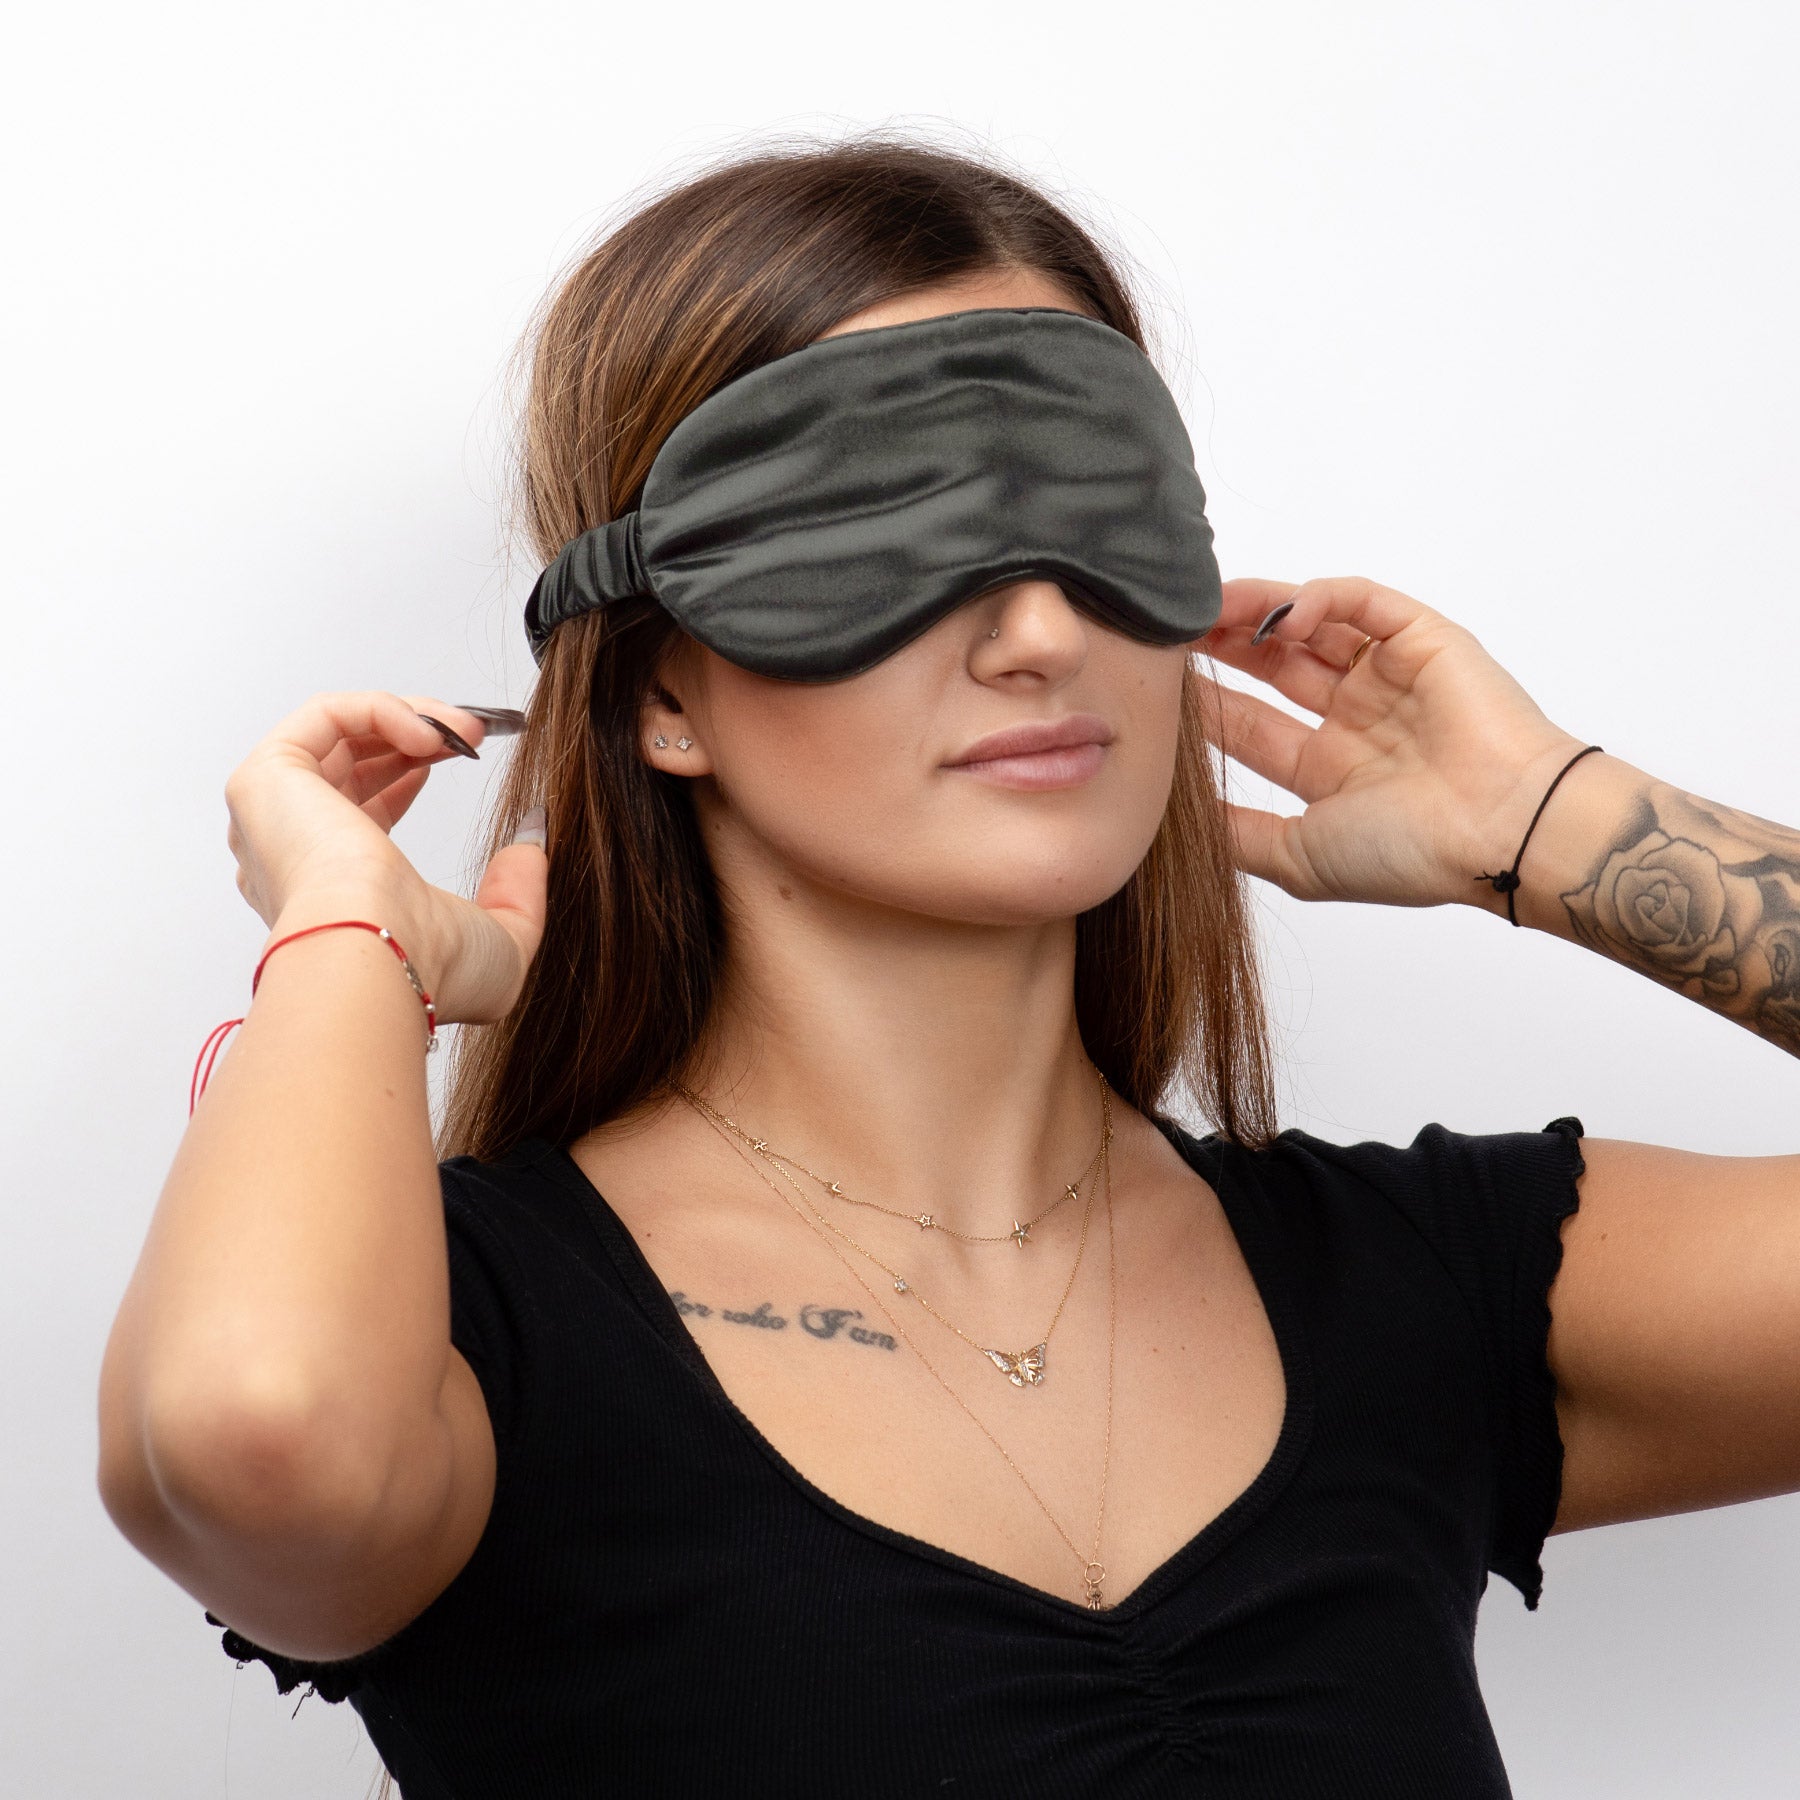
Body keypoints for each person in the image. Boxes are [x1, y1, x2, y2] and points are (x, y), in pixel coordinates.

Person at [97, 135, 1800, 1799]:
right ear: (659, 691)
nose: (1043, 632)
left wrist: (1557, 825)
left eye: (1095, 511)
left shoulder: (1425, 1290)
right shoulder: (470, 1330)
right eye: (886, 522)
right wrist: (348, 944)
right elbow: (260, 1435)